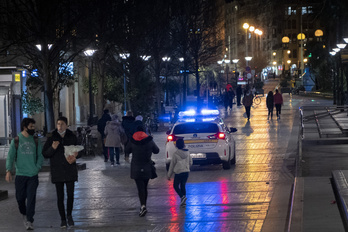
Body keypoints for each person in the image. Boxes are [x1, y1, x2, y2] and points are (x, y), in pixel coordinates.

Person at [42, 116, 82, 228]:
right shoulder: (52, 138)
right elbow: (45, 154)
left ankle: (69, 216)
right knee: (60, 196)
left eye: (62, 124)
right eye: (58, 124)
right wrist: (53, 148)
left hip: (69, 170)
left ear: (66, 125)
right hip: (57, 171)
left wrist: (76, 155)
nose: (60, 126)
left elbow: (79, 150)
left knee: (70, 195)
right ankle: (63, 219)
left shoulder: (72, 136)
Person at [5, 118, 44, 230]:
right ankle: (24, 213)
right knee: (20, 198)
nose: (33, 129)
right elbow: (10, 156)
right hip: (20, 175)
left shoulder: (36, 140)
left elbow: (40, 156)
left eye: (34, 127)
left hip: (33, 175)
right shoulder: (16, 140)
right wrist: (8, 170)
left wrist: (37, 168)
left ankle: (29, 220)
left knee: (31, 198)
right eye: (31, 127)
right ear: (25, 127)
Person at [125, 126, 160, 217]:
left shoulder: (132, 140)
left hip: (136, 167)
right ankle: (144, 205)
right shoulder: (149, 140)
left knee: (140, 188)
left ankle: (143, 206)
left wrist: (127, 156)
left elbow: (126, 150)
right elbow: (157, 151)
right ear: (144, 131)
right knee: (145, 187)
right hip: (147, 167)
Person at [167, 138, 192, 207]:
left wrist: (169, 175)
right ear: (183, 144)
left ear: (177, 145)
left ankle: (182, 197)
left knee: (175, 185)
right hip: (186, 171)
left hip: (178, 172)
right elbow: (191, 162)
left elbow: (172, 165)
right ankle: (183, 203)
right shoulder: (187, 152)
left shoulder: (175, 154)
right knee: (183, 185)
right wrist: (187, 166)